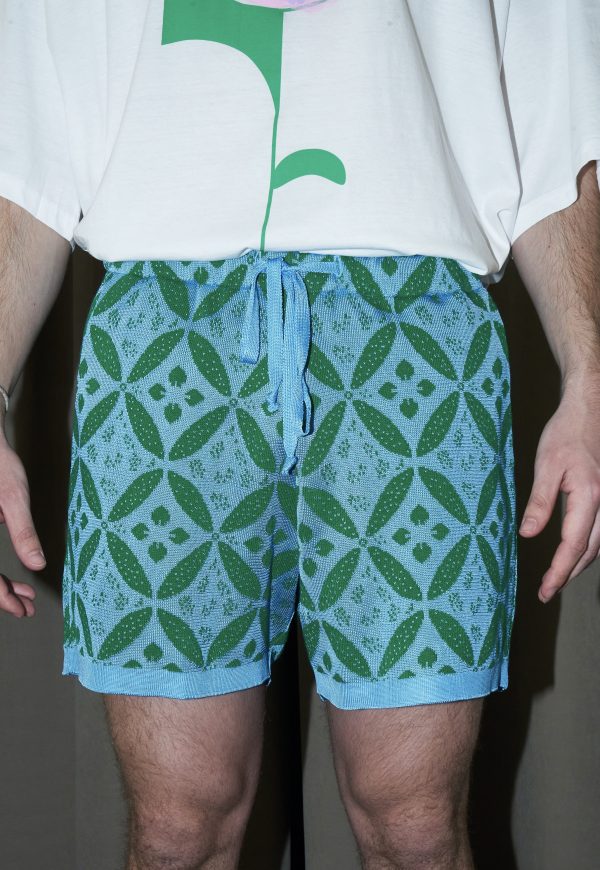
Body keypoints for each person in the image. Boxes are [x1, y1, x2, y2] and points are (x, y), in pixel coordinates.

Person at [0, 1, 599, 868]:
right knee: (177, 831)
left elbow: (555, 125)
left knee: (416, 828)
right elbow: (30, 149)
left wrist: (590, 376)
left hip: (415, 333)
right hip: (165, 339)